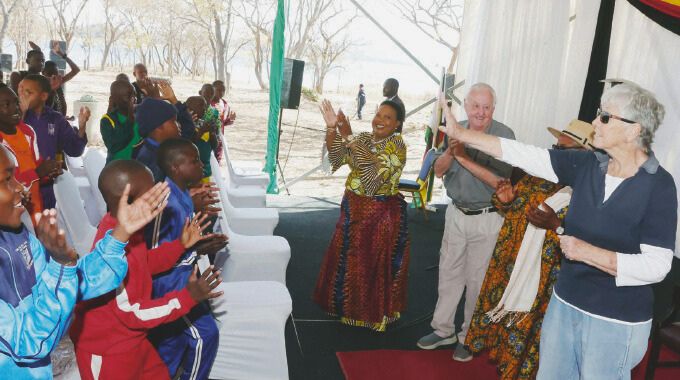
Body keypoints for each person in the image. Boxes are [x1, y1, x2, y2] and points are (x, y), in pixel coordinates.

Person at [437, 82, 676, 378]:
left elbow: (657, 266)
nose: (594, 123)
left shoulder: (659, 186)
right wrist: (462, 135)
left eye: (604, 117)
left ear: (633, 130)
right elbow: (522, 154)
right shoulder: (588, 164)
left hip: (615, 320)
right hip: (565, 304)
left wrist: (587, 252)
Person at [0, 143, 170, 378]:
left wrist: (121, 234)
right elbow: (29, 343)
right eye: (7, 180)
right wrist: (61, 268)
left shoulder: (16, 237)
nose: (22, 188)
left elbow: (79, 284)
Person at [70, 160, 224, 380]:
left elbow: (145, 263)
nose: (159, 196)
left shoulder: (128, 230)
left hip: (133, 340)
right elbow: (131, 312)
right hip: (107, 350)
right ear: (130, 202)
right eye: (151, 192)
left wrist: (180, 244)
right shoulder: (112, 249)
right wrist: (187, 297)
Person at [465, 120, 595, 378]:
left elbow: (587, 240)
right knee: (506, 323)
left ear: (585, 157)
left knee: (530, 333)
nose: (556, 155)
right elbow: (514, 205)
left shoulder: (588, 192)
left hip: (544, 276)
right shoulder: (539, 175)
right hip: (510, 261)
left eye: (564, 151)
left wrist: (556, 224)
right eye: (556, 148)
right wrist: (506, 200)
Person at [417, 83, 515, 362]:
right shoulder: (454, 129)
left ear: (493, 109)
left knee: (476, 282)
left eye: (486, 107)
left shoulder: (504, 136)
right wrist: (451, 150)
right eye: (475, 106)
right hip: (456, 213)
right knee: (449, 274)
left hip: (487, 217)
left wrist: (464, 155)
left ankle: (469, 337)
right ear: (466, 106)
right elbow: (437, 170)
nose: (480, 112)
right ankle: (442, 329)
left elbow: (500, 182)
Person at [313, 99, 410, 332]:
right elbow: (336, 157)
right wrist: (331, 129)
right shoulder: (365, 138)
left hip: (378, 214)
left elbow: (373, 179)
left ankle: (369, 315)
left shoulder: (397, 145)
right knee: (346, 258)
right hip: (352, 208)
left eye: (388, 118)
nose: (380, 121)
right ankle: (345, 309)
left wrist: (349, 137)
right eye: (379, 115)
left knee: (369, 264)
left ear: (397, 124)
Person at [147, 138, 228, 380]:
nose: (201, 163)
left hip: (183, 278)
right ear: (175, 168)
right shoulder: (166, 204)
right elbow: (154, 259)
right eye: (193, 161)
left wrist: (201, 246)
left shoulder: (181, 193)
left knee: (170, 343)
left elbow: (183, 243)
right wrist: (197, 249)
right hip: (169, 286)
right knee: (206, 334)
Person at [19, 74, 90, 208]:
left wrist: (81, 127)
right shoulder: (13, 118)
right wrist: (21, 114)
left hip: (47, 187)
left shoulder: (56, 119)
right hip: (21, 186)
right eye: (20, 91)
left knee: (45, 223)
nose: (22, 96)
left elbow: (74, 150)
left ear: (43, 96)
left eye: (28, 92)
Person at [0, 84, 62, 219]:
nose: (15, 108)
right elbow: (6, 185)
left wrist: (48, 173)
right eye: (6, 104)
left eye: (16, 102)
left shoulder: (27, 132)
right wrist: (37, 173)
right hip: (10, 213)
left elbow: (36, 167)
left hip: (35, 206)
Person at [101, 80, 141, 162]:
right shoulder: (107, 120)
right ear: (114, 99)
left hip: (137, 167)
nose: (133, 99)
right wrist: (130, 118)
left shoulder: (140, 116)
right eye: (128, 96)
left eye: (134, 94)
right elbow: (115, 146)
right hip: (117, 168)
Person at [42, 41, 81, 116]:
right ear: (43, 73)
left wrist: (62, 54)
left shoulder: (58, 81)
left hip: (60, 120)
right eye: (49, 74)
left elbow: (76, 70)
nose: (53, 77)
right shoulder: (40, 85)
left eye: (55, 74)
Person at [186, 96, 216, 181]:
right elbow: (187, 145)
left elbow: (214, 146)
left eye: (205, 106)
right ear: (189, 108)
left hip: (206, 171)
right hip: (191, 173)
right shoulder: (185, 125)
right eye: (201, 105)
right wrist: (201, 132)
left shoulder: (204, 123)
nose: (204, 108)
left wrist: (212, 133)